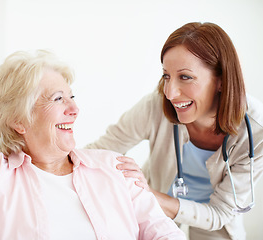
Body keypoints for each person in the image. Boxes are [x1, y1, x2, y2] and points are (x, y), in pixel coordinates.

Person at [0, 50, 186, 239]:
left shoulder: (115, 168)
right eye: (58, 99)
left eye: (72, 97)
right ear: (19, 120)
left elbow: (163, 232)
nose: (74, 110)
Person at [86, 22, 263, 240]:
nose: (170, 93)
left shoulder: (256, 132)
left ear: (221, 80)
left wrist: (150, 195)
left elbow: (220, 213)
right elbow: (99, 150)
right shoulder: (155, 106)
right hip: (157, 214)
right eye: (166, 76)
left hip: (215, 225)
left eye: (185, 77)